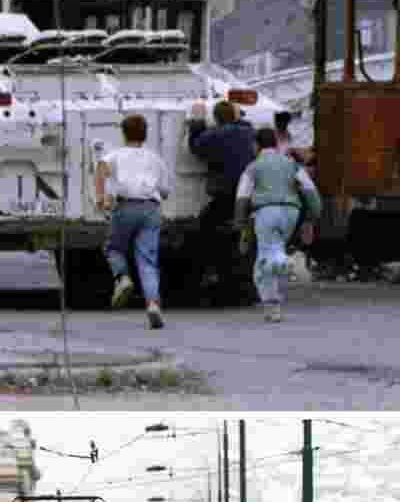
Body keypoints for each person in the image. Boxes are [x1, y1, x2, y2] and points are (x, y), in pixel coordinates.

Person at [234, 127, 323, 322]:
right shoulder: (292, 165)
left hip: (266, 212)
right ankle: (282, 263)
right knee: (275, 248)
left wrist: (240, 226)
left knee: (264, 261)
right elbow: (311, 191)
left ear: (256, 145)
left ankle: (273, 304)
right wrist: (310, 220)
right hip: (291, 212)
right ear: (276, 144)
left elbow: (242, 197)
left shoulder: (253, 167)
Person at [95, 112, 171, 330]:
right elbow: (165, 191)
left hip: (125, 206)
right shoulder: (155, 158)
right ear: (145, 135)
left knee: (114, 248)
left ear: (123, 133)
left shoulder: (116, 155)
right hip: (150, 210)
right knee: (148, 261)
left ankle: (122, 278)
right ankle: (153, 304)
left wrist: (101, 197)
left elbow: (101, 168)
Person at [187, 99, 257, 294]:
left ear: (216, 119)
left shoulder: (216, 135)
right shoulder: (248, 132)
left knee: (206, 226)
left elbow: (195, 147)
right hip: (249, 192)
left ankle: (210, 269)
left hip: (227, 192)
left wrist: (196, 123)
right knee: (238, 228)